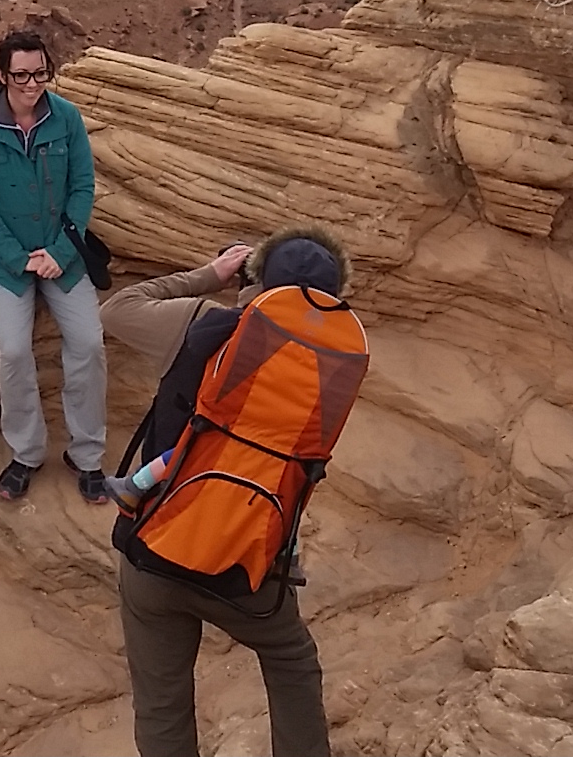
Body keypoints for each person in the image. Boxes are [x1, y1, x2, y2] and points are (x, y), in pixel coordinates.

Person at [108, 229, 363, 757]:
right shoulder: (333, 364)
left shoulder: (196, 322)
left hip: (154, 544)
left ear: (255, 279)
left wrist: (212, 274)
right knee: (291, 661)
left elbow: (118, 309)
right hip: (245, 564)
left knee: (161, 701)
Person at [0, 28, 107, 503]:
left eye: (40, 73)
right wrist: (19, 258)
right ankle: (27, 453)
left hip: (60, 256)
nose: (32, 84)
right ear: (2, 76)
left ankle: (87, 456)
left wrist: (58, 255)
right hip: (3, 264)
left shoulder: (66, 118)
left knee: (88, 343)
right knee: (16, 353)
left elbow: (82, 188)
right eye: (20, 75)